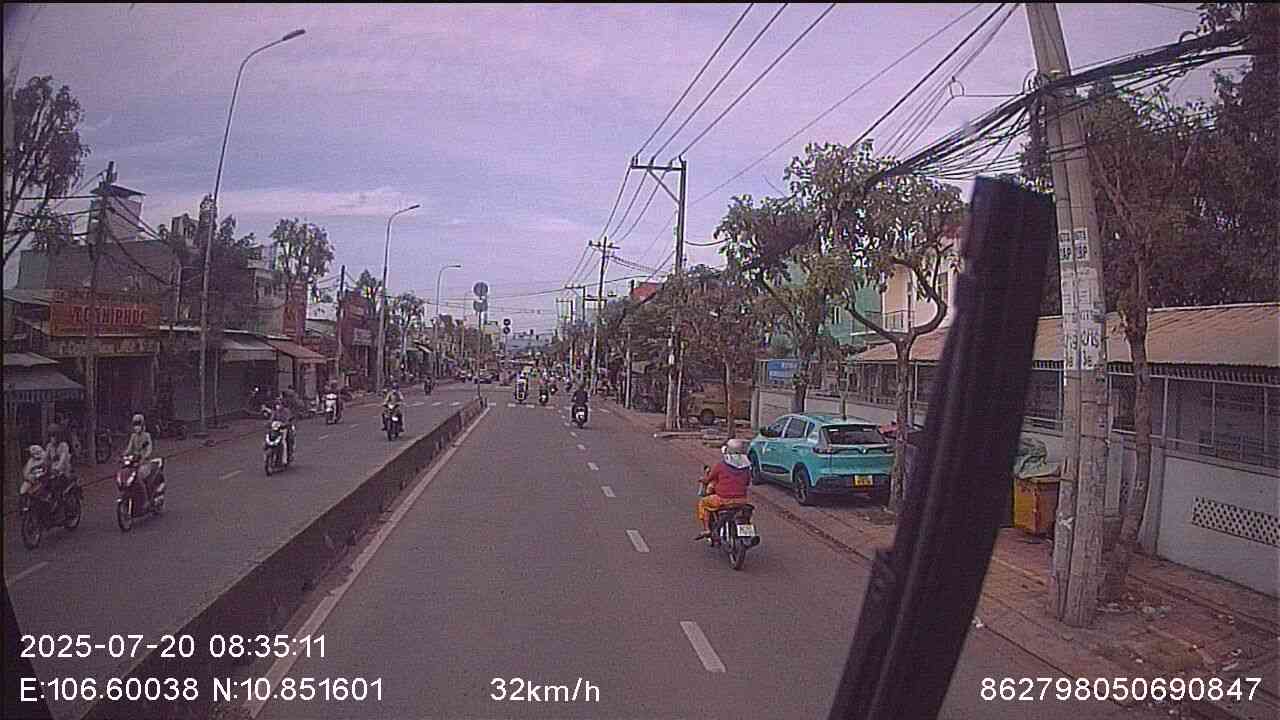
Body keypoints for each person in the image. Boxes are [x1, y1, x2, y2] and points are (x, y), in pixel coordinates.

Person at [695, 438, 752, 540]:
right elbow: (747, 482)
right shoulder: (747, 467)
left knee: (703, 503)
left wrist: (703, 480)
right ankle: (747, 535)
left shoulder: (721, 465)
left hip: (723, 500)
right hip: (741, 500)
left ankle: (707, 529)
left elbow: (709, 478)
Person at [122, 413, 156, 491]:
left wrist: (146, 456)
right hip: (134, 460)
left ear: (142, 425)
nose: (136, 427)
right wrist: (124, 454)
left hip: (144, 461)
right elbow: (129, 448)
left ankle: (146, 495)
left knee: (141, 477)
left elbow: (149, 448)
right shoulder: (133, 436)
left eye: (138, 424)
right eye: (135, 424)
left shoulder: (147, 435)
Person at [44, 423, 74, 497]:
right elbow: (45, 458)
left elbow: (62, 459)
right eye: (50, 435)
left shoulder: (63, 445)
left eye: (54, 435)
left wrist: (57, 468)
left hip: (63, 472)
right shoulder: (49, 446)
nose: (52, 438)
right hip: (52, 472)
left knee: (56, 487)